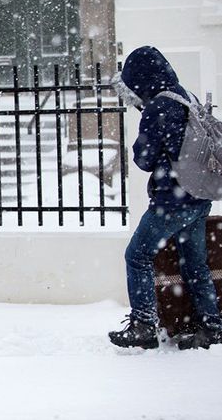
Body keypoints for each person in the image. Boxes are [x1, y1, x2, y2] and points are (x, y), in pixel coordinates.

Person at [109, 46, 222, 350]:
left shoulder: (159, 106)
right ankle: (212, 324)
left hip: (172, 202)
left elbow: (143, 158)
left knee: (137, 255)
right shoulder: (185, 96)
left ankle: (144, 324)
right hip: (199, 197)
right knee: (194, 263)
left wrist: (146, 135)